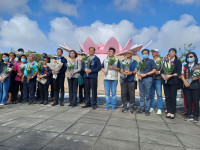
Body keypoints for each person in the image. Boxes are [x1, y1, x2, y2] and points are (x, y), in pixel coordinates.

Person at [161, 48, 182, 119]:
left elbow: (179, 72)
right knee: (167, 97)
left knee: (173, 97)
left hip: (173, 81)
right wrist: (164, 76)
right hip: (166, 82)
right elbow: (161, 71)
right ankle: (168, 111)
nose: (170, 53)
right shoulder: (165, 61)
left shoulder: (178, 62)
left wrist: (171, 75)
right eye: (169, 52)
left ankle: (172, 112)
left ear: (175, 53)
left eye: (172, 52)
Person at [181, 52, 200, 123]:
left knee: (195, 101)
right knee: (188, 101)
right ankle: (189, 114)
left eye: (191, 56)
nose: (189, 58)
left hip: (195, 85)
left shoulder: (198, 66)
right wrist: (184, 81)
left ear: (195, 57)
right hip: (186, 86)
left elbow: (199, 75)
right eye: (188, 57)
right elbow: (181, 75)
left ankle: (196, 116)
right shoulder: (184, 66)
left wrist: (196, 77)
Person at [137, 49, 156, 116]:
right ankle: (142, 108)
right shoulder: (140, 62)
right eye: (143, 53)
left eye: (146, 53)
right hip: (141, 80)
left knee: (148, 95)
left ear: (148, 54)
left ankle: (147, 109)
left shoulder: (151, 61)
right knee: (141, 94)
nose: (144, 54)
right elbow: (138, 71)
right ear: (142, 54)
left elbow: (154, 70)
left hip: (148, 79)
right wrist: (138, 75)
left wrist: (146, 74)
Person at [150, 49, 163, 115]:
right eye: (152, 52)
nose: (153, 53)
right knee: (151, 94)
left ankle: (159, 108)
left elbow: (164, 69)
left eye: (154, 52)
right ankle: (152, 107)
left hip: (158, 79)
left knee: (159, 94)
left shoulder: (161, 60)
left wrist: (159, 72)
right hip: (151, 79)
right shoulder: (150, 61)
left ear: (158, 53)